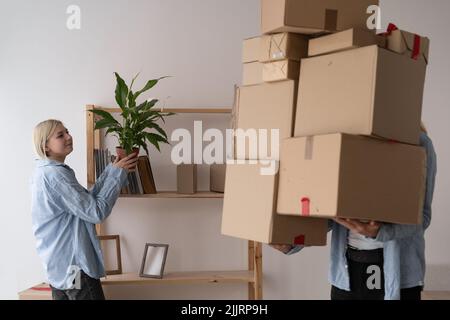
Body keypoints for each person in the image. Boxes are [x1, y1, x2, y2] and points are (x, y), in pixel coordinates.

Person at [271, 124, 437, 300]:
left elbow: (423, 218)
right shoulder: (339, 138)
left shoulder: (418, 143)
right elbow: (328, 211)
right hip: (347, 275)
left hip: (399, 277)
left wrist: (381, 231)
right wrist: (293, 242)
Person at [31, 119, 138, 300]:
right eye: (60, 135)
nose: (68, 137)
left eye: (67, 131)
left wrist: (112, 170)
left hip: (58, 269)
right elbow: (96, 212)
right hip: (74, 268)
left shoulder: (44, 172)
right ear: (45, 146)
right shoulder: (56, 176)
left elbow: (85, 204)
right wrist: (118, 175)